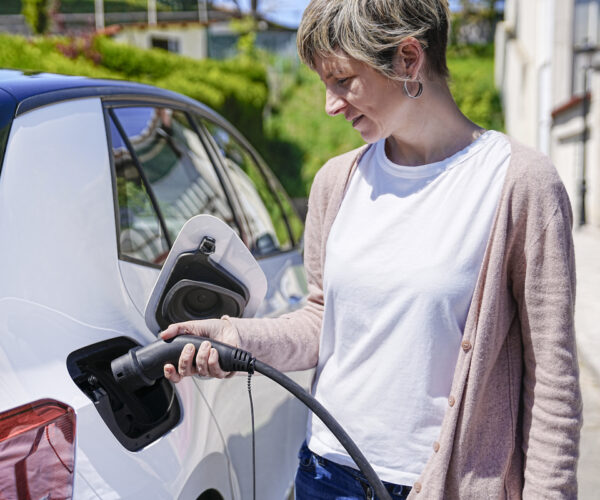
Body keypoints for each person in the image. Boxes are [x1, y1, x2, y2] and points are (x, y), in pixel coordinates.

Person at [161, 0, 583, 498]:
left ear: (408, 59)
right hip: (327, 473)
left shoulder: (521, 184)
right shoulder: (336, 182)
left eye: (342, 80)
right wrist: (233, 335)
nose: (330, 104)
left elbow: (553, 382)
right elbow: (322, 321)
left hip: (448, 483)